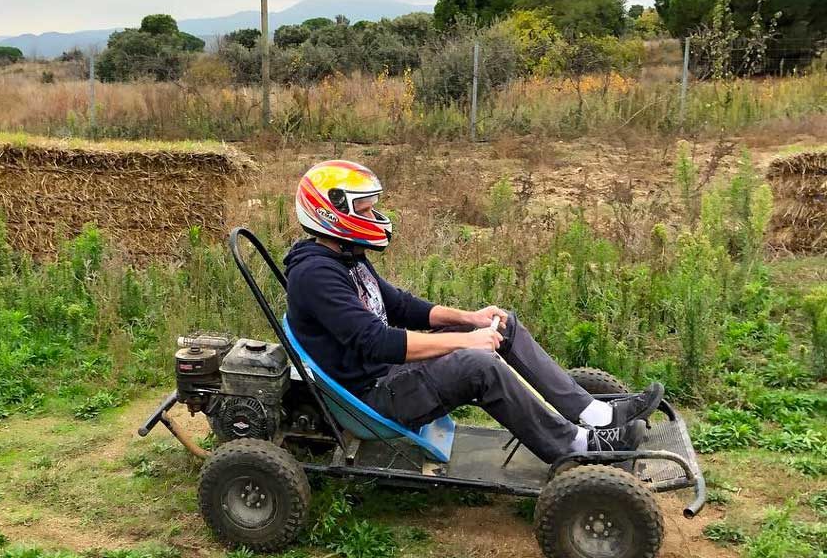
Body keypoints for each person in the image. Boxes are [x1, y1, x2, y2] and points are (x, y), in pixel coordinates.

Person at [284, 160, 664, 463]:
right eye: (365, 209)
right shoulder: (316, 274)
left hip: (391, 375)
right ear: (330, 213)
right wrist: (468, 342)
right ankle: (578, 447)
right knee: (477, 365)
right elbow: (378, 342)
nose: (374, 215)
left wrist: (472, 319)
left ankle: (596, 415)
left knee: (504, 326)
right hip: (375, 395)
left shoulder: (347, 257)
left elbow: (400, 306)